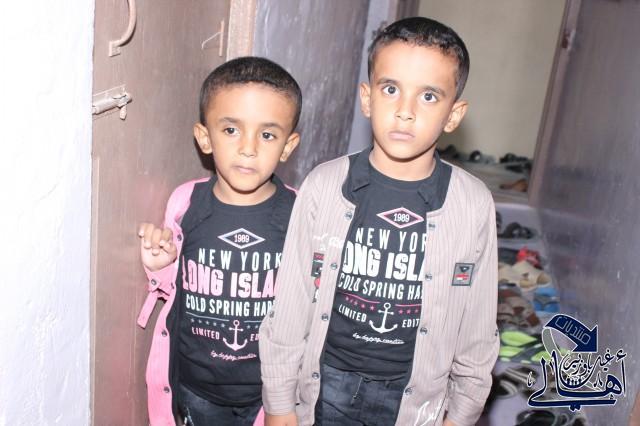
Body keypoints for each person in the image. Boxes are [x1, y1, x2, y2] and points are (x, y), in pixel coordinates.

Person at [259, 17, 498, 426]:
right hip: (328, 386)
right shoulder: (323, 186)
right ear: (367, 99)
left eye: (428, 96)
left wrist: (461, 414)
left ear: (454, 114)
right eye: (391, 89)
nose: (405, 111)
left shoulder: (472, 205)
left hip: (416, 401)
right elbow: (290, 306)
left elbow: (477, 327)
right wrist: (280, 406)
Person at [137, 56, 301, 426]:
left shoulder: (299, 213)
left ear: (288, 146)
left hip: (267, 393)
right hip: (198, 387)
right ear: (204, 138)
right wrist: (162, 265)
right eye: (230, 130)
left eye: (267, 135)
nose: (248, 148)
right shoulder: (185, 203)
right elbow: (177, 286)